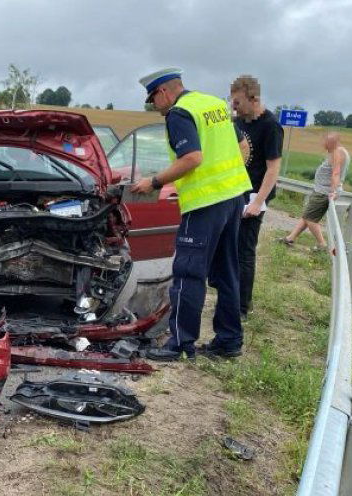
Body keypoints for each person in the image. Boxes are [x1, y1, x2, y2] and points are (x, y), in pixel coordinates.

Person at [130, 68, 252, 360]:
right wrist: (229, 179)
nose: (154, 108)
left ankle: (180, 345)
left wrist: (154, 182)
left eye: (152, 101)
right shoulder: (212, 104)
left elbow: (192, 158)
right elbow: (243, 146)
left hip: (204, 204)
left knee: (188, 273)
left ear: (163, 93)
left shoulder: (179, 113)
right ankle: (229, 341)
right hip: (233, 197)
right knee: (226, 273)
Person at [229, 75, 283, 321]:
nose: (234, 107)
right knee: (229, 246)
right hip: (236, 192)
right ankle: (229, 295)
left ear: (254, 99)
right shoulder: (239, 122)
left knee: (244, 250)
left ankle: (241, 306)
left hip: (254, 196)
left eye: (238, 102)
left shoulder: (270, 126)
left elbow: (273, 168)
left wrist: (258, 202)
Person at [280, 132, 350, 249]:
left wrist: (333, 191)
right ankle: (290, 238)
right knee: (307, 216)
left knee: (310, 219)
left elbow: (336, 173)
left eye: (325, 142)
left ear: (331, 142)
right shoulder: (339, 151)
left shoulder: (337, 153)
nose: (323, 145)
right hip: (322, 190)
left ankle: (322, 245)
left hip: (324, 192)